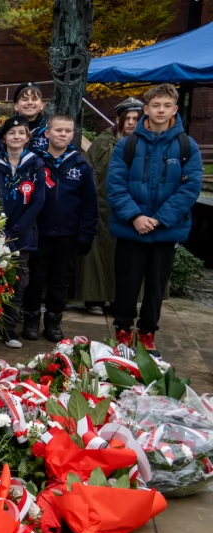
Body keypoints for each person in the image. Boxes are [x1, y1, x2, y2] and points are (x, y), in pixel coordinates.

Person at [107, 83, 204, 357]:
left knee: (156, 287)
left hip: (165, 231)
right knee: (126, 283)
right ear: (146, 109)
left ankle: (148, 333)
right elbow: (115, 184)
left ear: (174, 109)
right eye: (155, 105)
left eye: (166, 106)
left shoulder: (187, 146)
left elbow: (190, 188)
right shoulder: (128, 144)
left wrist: (160, 219)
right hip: (131, 229)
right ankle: (123, 331)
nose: (161, 110)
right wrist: (135, 216)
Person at [22, 113, 99, 343]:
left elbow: (90, 203)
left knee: (60, 280)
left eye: (67, 131)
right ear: (47, 133)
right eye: (58, 130)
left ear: (73, 135)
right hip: (38, 233)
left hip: (67, 235)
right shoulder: (34, 161)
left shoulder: (81, 165)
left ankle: (54, 321)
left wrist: (86, 234)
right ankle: (31, 319)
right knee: (35, 279)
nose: (62, 134)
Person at [77, 97, 143, 314]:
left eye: (136, 118)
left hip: (134, 208)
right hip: (103, 206)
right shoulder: (103, 142)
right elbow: (89, 170)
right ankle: (95, 298)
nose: (131, 123)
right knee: (98, 255)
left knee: (126, 257)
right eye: (128, 118)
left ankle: (120, 299)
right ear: (119, 119)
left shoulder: (145, 144)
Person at [0, 116, 46, 346]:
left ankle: (9, 328)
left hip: (23, 235)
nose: (17, 136)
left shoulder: (36, 164)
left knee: (18, 280)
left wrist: (17, 230)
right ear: (3, 138)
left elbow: (38, 201)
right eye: (12, 133)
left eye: (22, 133)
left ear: (28, 138)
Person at [0, 82, 48, 159]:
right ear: (16, 106)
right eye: (25, 99)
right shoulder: (0, 135)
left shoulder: (50, 133)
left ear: (41, 105)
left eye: (34, 99)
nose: (30, 103)